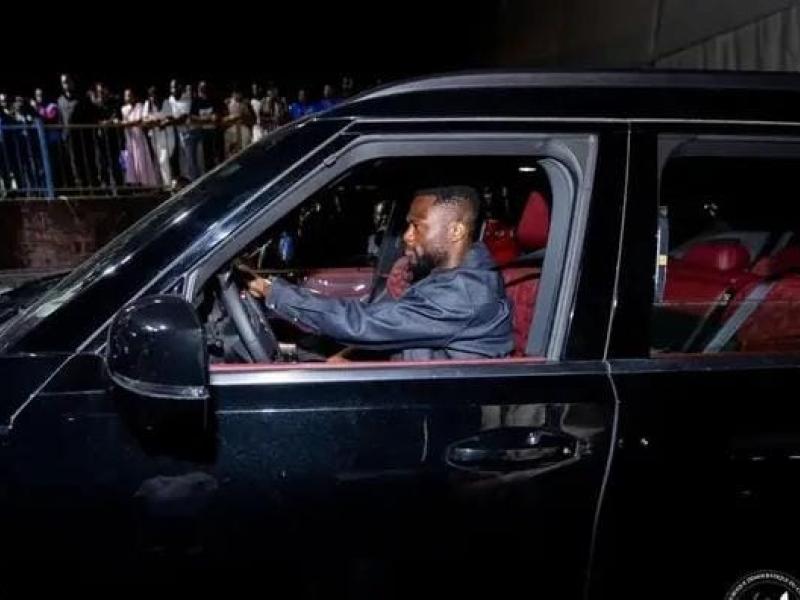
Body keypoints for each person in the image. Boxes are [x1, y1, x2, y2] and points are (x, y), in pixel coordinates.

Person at [245, 185, 513, 360]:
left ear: (456, 231)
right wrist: (348, 356)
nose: (407, 236)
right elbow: (390, 324)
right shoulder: (447, 277)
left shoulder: (465, 294)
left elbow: (364, 324)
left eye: (417, 226)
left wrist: (274, 291)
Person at [120, 88, 160, 187]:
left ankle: (145, 183)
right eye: (126, 96)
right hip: (130, 138)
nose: (128, 98)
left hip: (139, 138)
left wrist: (129, 123)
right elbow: (123, 122)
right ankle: (134, 182)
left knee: (141, 160)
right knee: (131, 160)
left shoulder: (140, 106)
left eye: (129, 95)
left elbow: (140, 120)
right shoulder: (124, 109)